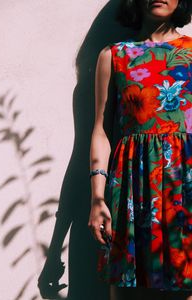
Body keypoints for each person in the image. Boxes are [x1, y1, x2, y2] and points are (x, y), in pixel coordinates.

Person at [88, 0, 192, 299]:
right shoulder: (114, 56)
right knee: (125, 283)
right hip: (133, 184)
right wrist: (97, 197)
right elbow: (100, 131)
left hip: (183, 183)